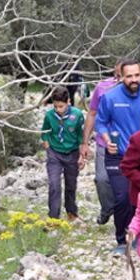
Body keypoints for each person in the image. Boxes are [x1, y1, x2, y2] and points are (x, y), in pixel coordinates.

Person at [94, 59, 140, 254]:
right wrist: (106, 139)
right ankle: (122, 240)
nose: (134, 80)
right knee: (121, 197)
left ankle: (139, 236)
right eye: (129, 76)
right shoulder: (110, 97)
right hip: (118, 155)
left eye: (137, 75)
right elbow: (101, 122)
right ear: (121, 77)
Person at [81, 67, 120, 226]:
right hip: (104, 142)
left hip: (128, 144)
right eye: (117, 74)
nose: (119, 78)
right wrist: (85, 142)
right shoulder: (102, 87)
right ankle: (107, 208)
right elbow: (92, 113)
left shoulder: (138, 90)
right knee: (102, 179)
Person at [41, 86, 85, 221]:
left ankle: (71, 211)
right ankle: (53, 218)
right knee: (54, 185)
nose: (58, 110)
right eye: (55, 107)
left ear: (68, 102)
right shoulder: (49, 115)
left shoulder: (77, 115)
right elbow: (45, 132)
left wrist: (82, 156)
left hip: (72, 153)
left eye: (61, 106)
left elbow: (80, 136)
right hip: (54, 153)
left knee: (71, 184)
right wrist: (47, 146)